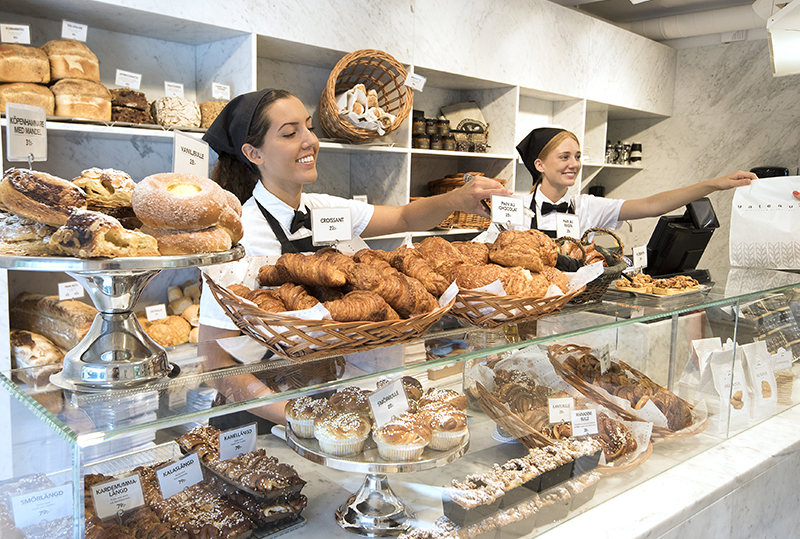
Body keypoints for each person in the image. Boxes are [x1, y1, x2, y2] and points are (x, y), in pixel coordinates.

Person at [198, 88, 509, 426]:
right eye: (290, 133)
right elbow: (215, 362)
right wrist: (296, 418)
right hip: (267, 417)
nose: (309, 141)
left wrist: (456, 200)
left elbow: (404, 217)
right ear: (252, 152)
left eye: (309, 127)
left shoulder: (326, 209)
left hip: (333, 400)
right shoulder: (240, 236)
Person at [515, 127, 757, 238]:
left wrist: (714, 184)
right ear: (540, 165)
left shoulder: (587, 207)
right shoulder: (517, 208)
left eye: (577, 156)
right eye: (564, 157)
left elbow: (652, 206)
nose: (574, 164)